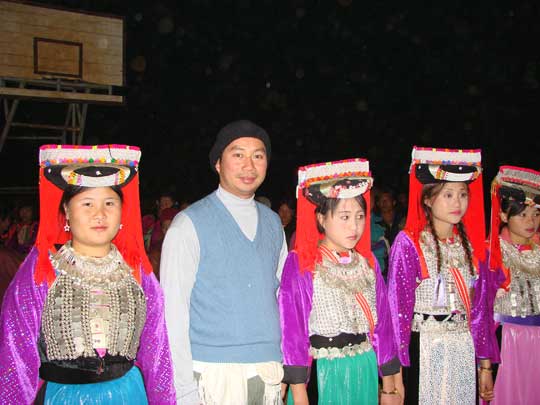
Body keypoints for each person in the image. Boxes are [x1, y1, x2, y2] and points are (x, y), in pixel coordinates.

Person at [0, 144, 176, 404]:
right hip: (64, 397)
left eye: (109, 203)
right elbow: (16, 355)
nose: (100, 214)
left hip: (129, 395)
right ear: (67, 211)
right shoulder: (42, 269)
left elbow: (157, 353)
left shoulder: (138, 272)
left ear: (122, 211)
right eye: (87, 204)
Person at [160, 120, 288, 404]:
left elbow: (281, 298)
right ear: (218, 163)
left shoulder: (273, 224)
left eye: (258, 155)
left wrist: (282, 364)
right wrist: (184, 389)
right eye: (238, 154)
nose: (249, 165)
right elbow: (172, 313)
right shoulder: (188, 224)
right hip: (211, 373)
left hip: (268, 372)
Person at [279, 158, 402, 404]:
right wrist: (299, 392)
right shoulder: (303, 263)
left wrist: (389, 387)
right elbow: (293, 331)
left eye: (360, 216)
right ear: (321, 219)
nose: (354, 226)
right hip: (324, 372)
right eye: (344, 217)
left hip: (365, 368)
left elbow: (383, 325)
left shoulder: (367, 263)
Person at [387, 146, 495, 404]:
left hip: (463, 347)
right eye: (448, 194)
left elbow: (480, 310)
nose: (457, 202)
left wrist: (485, 365)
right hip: (424, 346)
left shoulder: (471, 247)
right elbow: (397, 311)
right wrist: (395, 376)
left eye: (462, 194)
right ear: (427, 199)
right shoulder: (410, 243)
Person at [487, 166, 540, 405]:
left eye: (536, 214)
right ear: (503, 215)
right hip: (507, 341)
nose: (531, 221)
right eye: (523, 215)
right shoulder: (492, 252)